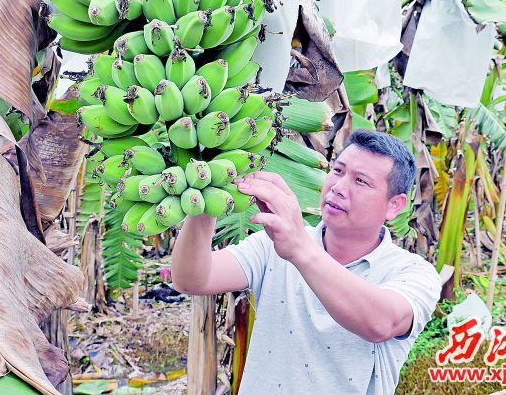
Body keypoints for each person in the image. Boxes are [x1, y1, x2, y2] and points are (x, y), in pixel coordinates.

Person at [171, 129, 441, 395]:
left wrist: (299, 248)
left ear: (394, 205)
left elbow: (381, 322)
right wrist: (206, 203)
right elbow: (192, 278)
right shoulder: (271, 246)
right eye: (337, 171)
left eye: (361, 181)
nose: (338, 187)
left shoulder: (413, 273)